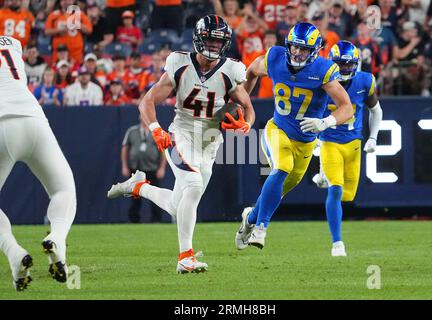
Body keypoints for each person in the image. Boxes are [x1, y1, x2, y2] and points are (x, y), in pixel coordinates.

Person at [107, 15, 255, 273]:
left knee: (180, 205)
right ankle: (185, 257)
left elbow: (249, 108)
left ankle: (139, 187)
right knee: (194, 184)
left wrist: (246, 125)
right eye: (209, 39)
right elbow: (146, 102)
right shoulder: (179, 63)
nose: (213, 46)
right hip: (181, 135)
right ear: (198, 38)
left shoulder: (231, 70)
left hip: (210, 142)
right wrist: (155, 129)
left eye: (218, 42)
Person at [235, 22, 353, 250]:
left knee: (278, 190)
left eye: (303, 49)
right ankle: (261, 229)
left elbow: (346, 107)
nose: (297, 52)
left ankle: (249, 219)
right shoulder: (275, 58)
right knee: (282, 167)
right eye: (294, 47)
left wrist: (325, 122)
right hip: (278, 129)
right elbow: (250, 71)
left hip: (306, 143)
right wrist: (243, 104)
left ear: (315, 50)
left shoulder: (323, 70)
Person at [0, 36, 76, 291]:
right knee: (63, 190)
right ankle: (57, 240)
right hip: (32, 115)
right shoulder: (12, 42)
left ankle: (13, 252)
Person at [312, 41, 383, 256]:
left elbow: (376, 110)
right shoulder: (322, 80)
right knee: (336, 189)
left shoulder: (365, 81)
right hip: (329, 141)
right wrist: (313, 137)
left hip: (353, 144)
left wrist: (373, 137)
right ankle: (337, 243)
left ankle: (324, 175)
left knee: (347, 196)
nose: (343, 69)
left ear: (356, 64)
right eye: (339, 64)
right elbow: (310, 110)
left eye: (348, 64)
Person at [121, 116, 167, 223]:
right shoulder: (132, 131)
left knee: (155, 196)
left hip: (152, 169)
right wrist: (125, 166)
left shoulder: (156, 132)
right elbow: (125, 148)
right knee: (135, 196)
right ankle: (134, 220)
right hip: (135, 169)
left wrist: (162, 168)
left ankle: (156, 219)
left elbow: (163, 151)